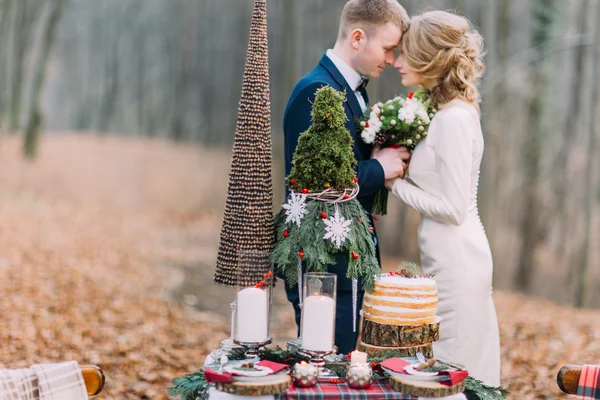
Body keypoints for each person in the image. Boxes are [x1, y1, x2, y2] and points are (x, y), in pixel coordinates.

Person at [282, 0, 411, 355]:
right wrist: (379, 169)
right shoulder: (315, 91)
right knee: (325, 363)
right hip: (323, 261)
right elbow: (313, 183)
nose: (389, 59)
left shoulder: (355, 91)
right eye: (387, 48)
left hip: (346, 257)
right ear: (357, 37)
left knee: (340, 362)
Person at [388, 10, 501, 385]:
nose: (396, 62)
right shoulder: (446, 112)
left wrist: (395, 184)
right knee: (445, 368)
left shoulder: (453, 119)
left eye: (405, 53)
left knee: (453, 371)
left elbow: (452, 210)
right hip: (448, 258)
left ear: (430, 58)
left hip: (457, 263)